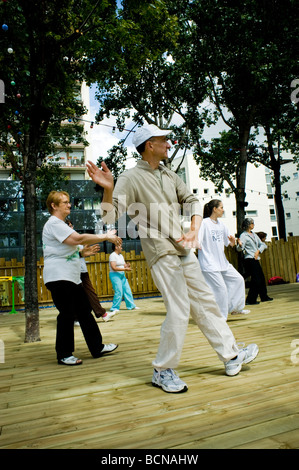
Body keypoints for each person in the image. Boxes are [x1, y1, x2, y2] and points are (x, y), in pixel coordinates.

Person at [86, 124, 259, 393]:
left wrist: (193, 229)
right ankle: (163, 370)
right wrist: (108, 189)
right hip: (160, 250)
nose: (169, 144)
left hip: (182, 247)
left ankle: (231, 355)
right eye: (163, 140)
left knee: (205, 302)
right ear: (149, 146)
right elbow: (109, 216)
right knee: (179, 309)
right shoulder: (130, 178)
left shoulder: (169, 174)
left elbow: (191, 200)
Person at [43, 190, 121, 366]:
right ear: (54, 206)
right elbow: (77, 238)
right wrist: (105, 236)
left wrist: (82, 253)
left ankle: (97, 347)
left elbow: (68, 247)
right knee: (67, 314)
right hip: (58, 277)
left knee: (84, 311)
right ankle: (64, 354)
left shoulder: (60, 224)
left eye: (69, 201)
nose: (69, 205)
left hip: (71, 277)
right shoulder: (54, 223)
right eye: (64, 202)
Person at [197, 199, 250, 320]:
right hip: (209, 263)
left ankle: (235, 308)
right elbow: (198, 241)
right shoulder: (204, 223)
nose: (223, 209)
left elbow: (229, 244)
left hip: (223, 263)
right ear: (214, 209)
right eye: (221, 207)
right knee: (220, 290)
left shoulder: (222, 225)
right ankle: (220, 317)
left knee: (238, 280)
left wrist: (232, 242)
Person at [65, 219, 107, 320]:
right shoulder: (66, 240)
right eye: (69, 226)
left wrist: (84, 252)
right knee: (76, 295)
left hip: (82, 270)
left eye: (71, 225)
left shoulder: (76, 238)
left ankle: (101, 313)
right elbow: (68, 255)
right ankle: (76, 317)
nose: (71, 227)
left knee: (89, 292)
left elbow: (82, 250)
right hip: (72, 271)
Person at [237, 218, 273, 305]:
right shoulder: (244, 236)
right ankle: (250, 299)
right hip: (249, 259)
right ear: (248, 225)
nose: (253, 225)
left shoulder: (254, 234)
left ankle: (264, 296)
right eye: (252, 223)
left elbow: (263, 245)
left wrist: (258, 251)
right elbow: (239, 249)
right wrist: (240, 245)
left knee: (261, 277)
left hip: (255, 259)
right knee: (256, 279)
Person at [104, 242, 140, 322]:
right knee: (118, 291)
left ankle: (131, 306)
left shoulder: (120, 255)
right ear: (116, 247)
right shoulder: (112, 255)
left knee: (127, 290)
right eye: (120, 246)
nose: (121, 248)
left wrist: (127, 266)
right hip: (115, 275)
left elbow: (123, 265)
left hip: (122, 275)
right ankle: (114, 308)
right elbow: (114, 268)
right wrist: (125, 269)